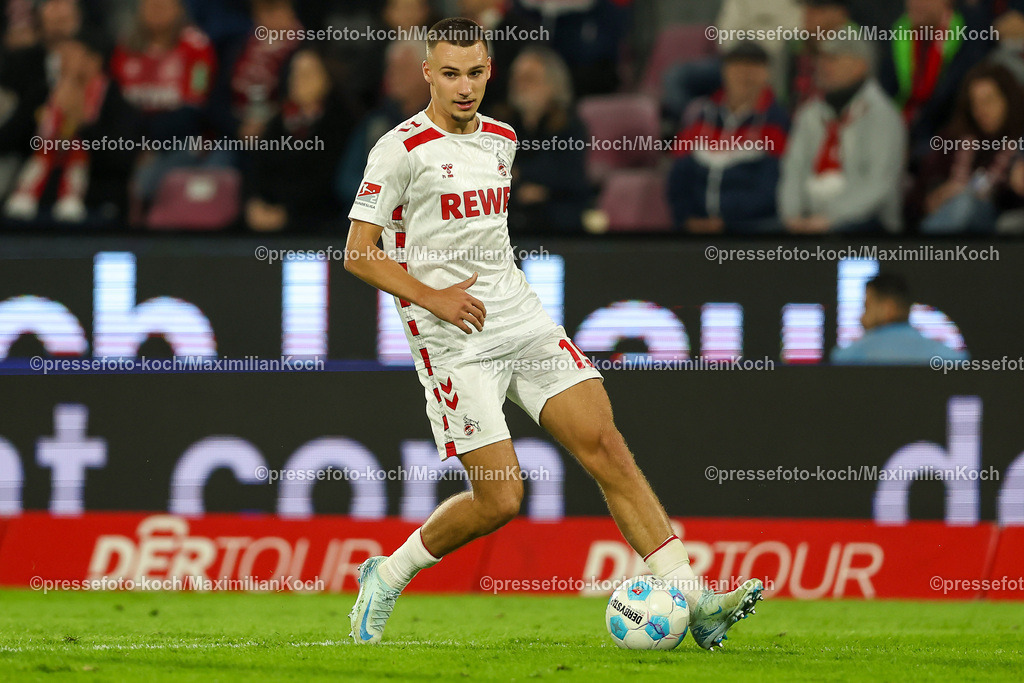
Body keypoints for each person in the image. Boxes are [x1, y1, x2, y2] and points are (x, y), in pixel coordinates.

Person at [343, 17, 763, 649]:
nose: (465, 86)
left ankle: (692, 595)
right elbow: (358, 253)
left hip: (519, 316)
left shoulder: (503, 139)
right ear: (428, 73)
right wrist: (434, 296)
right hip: (451, 337)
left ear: (491, 70)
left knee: (605, 443)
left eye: (476, 72)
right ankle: (389, 572)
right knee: (501, 498)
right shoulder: (398, 150)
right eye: (451, 74)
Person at [779, 38, 906, 233]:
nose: (823, 66)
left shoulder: (883, 116)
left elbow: (880, 182)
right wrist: (791, 214)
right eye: (821, 59)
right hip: (809, 218)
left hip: (866, 222)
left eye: (833, 59)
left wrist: (832, 218)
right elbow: (794, 169)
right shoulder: (809, 113)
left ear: (860, 65)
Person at [667, 41, 789, 234]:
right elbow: (679, 177)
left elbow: (774, 187)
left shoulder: (777, 123)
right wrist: (687, 218)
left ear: (767, 73)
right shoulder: (702, 118)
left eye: (753, 67)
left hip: (751, 235)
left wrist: (730, 224)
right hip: (694, 233)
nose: (745, 74)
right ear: (724, 71)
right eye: (737, 66)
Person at [245, 48, 352, 232]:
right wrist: (255, 204)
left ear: (327, 79)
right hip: (270, 218)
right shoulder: (277, 122)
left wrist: (288, 213)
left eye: (307, 74)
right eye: (294, 73)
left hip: (318, 223)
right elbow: (257, 169)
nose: (298, 80)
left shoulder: (341, 123)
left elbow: (328, 182)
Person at [911, 62, 1024, 233]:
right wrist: (935, 195)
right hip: (948, 220)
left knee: (965, 203)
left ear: (1008, 99)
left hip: (997, 224)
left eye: (989, 101)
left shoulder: (1020, 139)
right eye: (974, 103)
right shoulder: (952, 139)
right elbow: (918, 196)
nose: (981, 110)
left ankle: (924, 253)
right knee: (960, 203)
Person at [877, 0, 990, 160]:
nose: (916, 4)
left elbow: (954, 96)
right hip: (901, 127)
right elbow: (886, 91)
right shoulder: (898, 31)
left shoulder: (969, 32)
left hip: (943, 130)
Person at [504, 45, 591, 234]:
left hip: (557, 220)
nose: (519, 84)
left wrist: (521, 173)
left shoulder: (569, 126)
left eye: (529, 79)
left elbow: (570, 177)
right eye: (515, 78)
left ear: (553, 84)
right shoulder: (503, 123)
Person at [831, 272, 968, 364]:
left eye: (867, 307)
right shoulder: (950, 358)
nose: (861, 318)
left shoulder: (848, 358)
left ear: (888, 308)